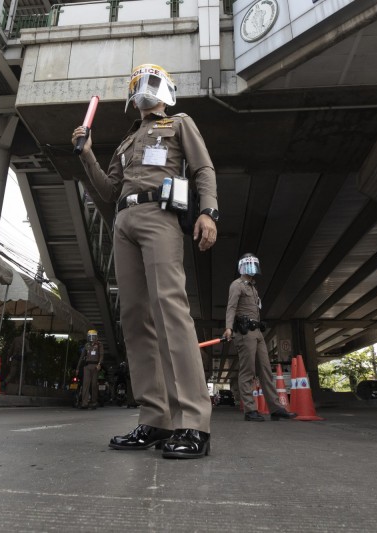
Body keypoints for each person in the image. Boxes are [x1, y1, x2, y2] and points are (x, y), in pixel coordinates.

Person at [71, 63, 218, 459]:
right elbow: (107, 190)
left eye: (152, 81)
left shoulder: (179, 123)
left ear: (167, 89)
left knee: (170, 310)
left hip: (160, 216)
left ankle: (192, 422)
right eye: (137, 83)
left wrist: (209, 212)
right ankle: (155, 418)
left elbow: (202, 167)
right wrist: (86, 155)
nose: (143, 88)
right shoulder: (125, 143)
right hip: (123, 220)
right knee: (134, 317)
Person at [224, 253, 297, 421]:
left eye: (254, 265)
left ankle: (275, 408)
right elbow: (231, 307)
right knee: (247, 371)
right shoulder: (237, 285)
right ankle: (250, 410)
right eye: (249, 265)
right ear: (243, 266)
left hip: (257, 332)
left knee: (265, 370)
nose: (252, 269)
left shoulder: (253, 287)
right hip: (244, 332)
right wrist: (228, 327)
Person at [76, 329, 103, 409]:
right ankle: (84, 403)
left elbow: (101, 355)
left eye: (93, 336)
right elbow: (81, 357)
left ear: (96, 337)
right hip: (87, 366)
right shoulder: (87, 345)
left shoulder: (99, 344)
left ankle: (94, 402)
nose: (92, 338)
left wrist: (99, 364)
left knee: (94, 384)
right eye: (90, 336)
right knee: (85, 385)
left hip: (95, 366)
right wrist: (77, 368)